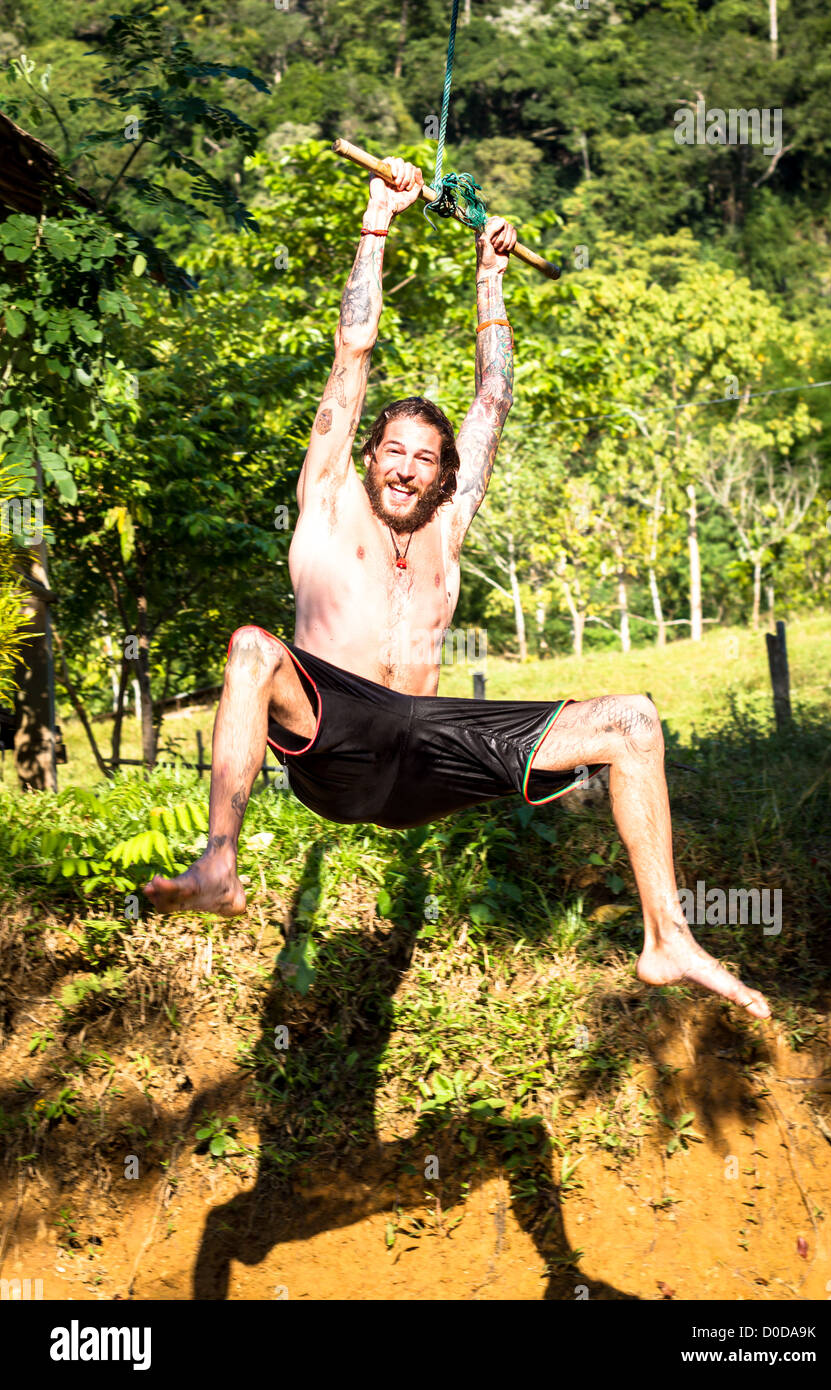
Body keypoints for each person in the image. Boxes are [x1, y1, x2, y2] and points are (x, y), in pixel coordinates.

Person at [144, 157, 770, 1020]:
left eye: (424, 459)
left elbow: (492, 401)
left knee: (631, 722)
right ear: (367, 453)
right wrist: (377, 220)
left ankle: (667, 936)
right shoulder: (328, 500)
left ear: (445, 477)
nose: (406, 468)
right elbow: (353, 349)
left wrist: (491, 278)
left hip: (431, 755)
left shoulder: (448, 522)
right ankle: (219, 861)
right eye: (393, 450)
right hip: (337, 738)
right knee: (253, 648)